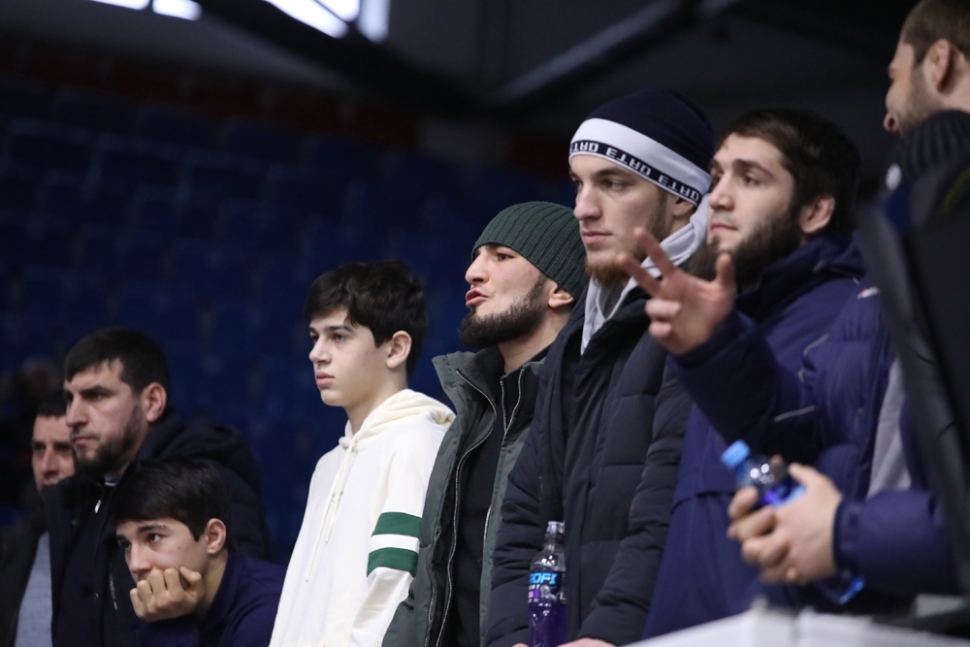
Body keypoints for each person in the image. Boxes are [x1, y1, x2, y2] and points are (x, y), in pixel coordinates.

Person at [625, 0, 970, 611]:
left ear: (939, 63)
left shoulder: (868, 281)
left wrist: (844, 535)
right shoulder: (870, 297)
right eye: (717, 177)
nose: (888, 117)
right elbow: (814, 430)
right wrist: (716, 348)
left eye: (894, 76)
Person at [605, 108, 866, 640]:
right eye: (718, 175)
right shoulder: (732, 320)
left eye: (750, 179)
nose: (719, 197)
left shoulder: (854, 316)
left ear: (815, 210)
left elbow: (795, 436)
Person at [485, 89, 714, 647]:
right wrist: (515, 634)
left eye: (614, 183)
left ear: (682, 198)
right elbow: (526, 515)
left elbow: (668, 505)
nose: (583, 208)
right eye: (579, 183)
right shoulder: (579, 335)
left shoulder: (704, 321)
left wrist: (610, 633)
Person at [383, 202, 587, 647]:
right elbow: (428, 582)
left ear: (559, 289)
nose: (473, 272)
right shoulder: (470, 414)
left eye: (502, 256)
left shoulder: (586, 409)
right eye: (477, 256)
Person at [270, 260, 455, 647]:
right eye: (314, 337)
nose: (316, 353)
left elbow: (395, 589)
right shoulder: (328, 464)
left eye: (338, 336)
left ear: (396, 348)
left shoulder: (417, 442)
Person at [48, 327, 270, 647]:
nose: (72, 417)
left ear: (152, 401)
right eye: (69, 398)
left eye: (96, 396)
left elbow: (237, 615)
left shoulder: (203, 482)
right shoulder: (81, 495)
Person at [114, 457, 285, 647]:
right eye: (127, 545)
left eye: (153, 537)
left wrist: (171, 627)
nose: (136, 565)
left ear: (213, 537)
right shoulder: (162, 603)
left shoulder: (270, 610)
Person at [0, 390, 74, 647]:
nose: (46, 466)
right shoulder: (9, 549)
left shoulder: (127, 553)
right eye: (39, 449)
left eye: (64, 449)